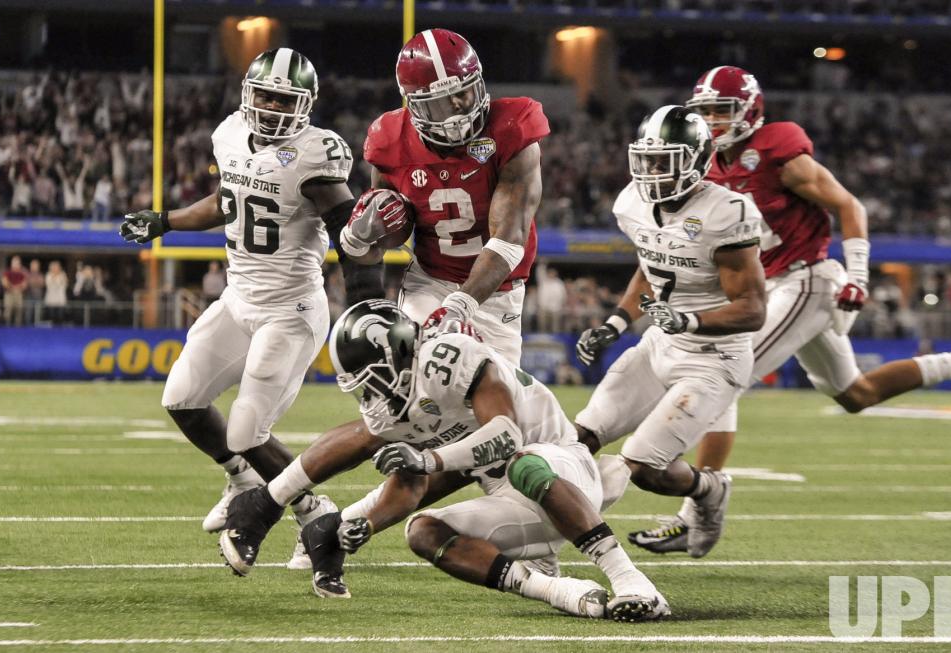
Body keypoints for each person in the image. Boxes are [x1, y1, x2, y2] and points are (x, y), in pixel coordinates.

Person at [627, 66, 951, 555]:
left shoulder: (777, 149)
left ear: (750, 111)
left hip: (805, 279)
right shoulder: (705, 165)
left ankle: (695, 510)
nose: (715, 124)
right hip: (775, 286)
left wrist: (860, 273)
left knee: (718, 371)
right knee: (856, 393)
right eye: (706, 114)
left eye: (723, 113)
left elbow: (850, 206)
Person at [219, 300, 669, 622]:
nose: (371, 396)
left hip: (566, 474)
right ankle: (558, 591)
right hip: (510, 500)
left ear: (396, 353)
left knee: (524, 463)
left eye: (374, 382)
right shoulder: (402, 401)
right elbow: (406, 480)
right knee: (423, 531)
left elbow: (506, 435)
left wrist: (430, 458)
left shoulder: (445, 356)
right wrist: (369, 523)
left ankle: (630, 580)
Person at [120, 48, 381, 568]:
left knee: (245, 432)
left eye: (284, 99)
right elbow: (226, 201)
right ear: (248, 93)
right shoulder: (231, 134)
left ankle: (312, 510)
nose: (271, 107)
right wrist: (165, 219)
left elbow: (351, 236)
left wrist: (365, 306)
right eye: (264, 94)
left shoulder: (316, 156)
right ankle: (242, 481)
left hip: (290, 309)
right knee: (182, 398)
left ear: (305, 104)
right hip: (238, 298)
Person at [574, 105, 766, 559]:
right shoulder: (632, 203)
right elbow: (652, 268)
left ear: (699, 160)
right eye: (647, 160)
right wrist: (616, 323)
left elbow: (753, 309)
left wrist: (690, 320)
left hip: (712, 358)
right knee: (579, 439)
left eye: (666, 161)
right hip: (659, 344)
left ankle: (708, 488)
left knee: (644, 467)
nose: (653, 172)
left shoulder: (726, 211)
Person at [339, 28, 549, 365]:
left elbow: (510, 240)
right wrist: (359, 239)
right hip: (430, 284)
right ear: (416, 106)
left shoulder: (512, 127)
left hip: (497, 293)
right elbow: (389, 239)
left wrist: (459, 307)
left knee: (494, 404)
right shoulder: (390, 140)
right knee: (413, 391)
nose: (459, 107)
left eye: (465, 93)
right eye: (440, 103)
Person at [1, 255, 28, 326]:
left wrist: (18, 288)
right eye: (14, 263)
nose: (16, 264)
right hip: (9, 294)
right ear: (12, 263)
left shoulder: (22, 273)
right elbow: (4, 282)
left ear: (20, 264)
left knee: (19, 310)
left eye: (17, 263)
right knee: (8, 310)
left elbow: (25, 284)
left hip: (19, 294)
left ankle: (17, 327)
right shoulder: (7, 272)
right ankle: (7, 325)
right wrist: (12, 287)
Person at [44, 260, 68, 324]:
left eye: (56, 267)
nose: (55, 268)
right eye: (53, 267)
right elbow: (49, 285)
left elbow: (64, 284)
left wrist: (57, 278)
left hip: (60, 299)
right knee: (51, 315)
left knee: (60, 315)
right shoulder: (48, 275)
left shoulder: (63, 275)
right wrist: (54, 277)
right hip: (51, 299)